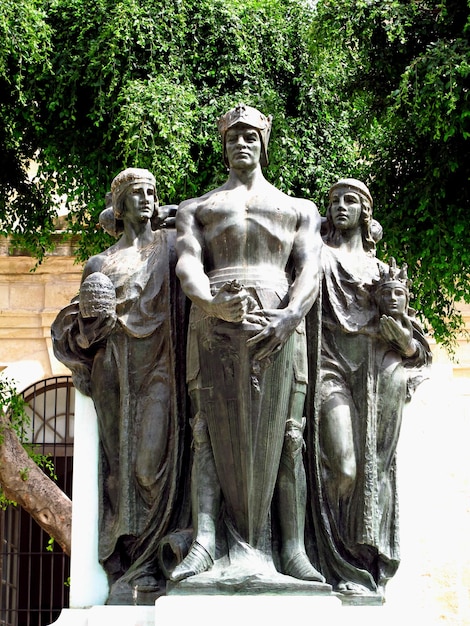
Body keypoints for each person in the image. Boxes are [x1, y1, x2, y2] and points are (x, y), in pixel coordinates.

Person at [170, 103, 324, 585]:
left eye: (250, 136)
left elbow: (310, 270)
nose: (241, 143)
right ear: (223, 145)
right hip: (216, 320)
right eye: (233, 136)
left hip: (278, 321)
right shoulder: (200, 208)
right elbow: (188, 266)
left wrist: (288, 318)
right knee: (205, 434)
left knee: (289, 438)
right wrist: (211, 304)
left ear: (264, 142)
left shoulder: (298, 209)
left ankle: (293, 549)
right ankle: (205, 541)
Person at [52, 168, 188, 603]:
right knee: (120, 469)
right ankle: (131, 566)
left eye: (152, 193)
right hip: (114, 369)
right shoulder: (100, 263)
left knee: (150, 465)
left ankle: (155, 558)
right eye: (137, 193)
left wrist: (174, 212)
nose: (146, 199)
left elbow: (200, 222)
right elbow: (80, 329)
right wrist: (92, 326)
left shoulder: (169, 247)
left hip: (160, 367)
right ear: (120, 203)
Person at [307, 179, 431, 600]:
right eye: (334, 201)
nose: (341, 207)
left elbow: (415, 346)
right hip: (330, 371)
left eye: (351, 201)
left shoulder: (382, 274)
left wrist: (404, 341)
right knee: (343, 467)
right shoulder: (317, 257)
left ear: (365, 211)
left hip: (375, 377)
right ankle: (332, 558)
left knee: (373, 470)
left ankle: (360, 564)